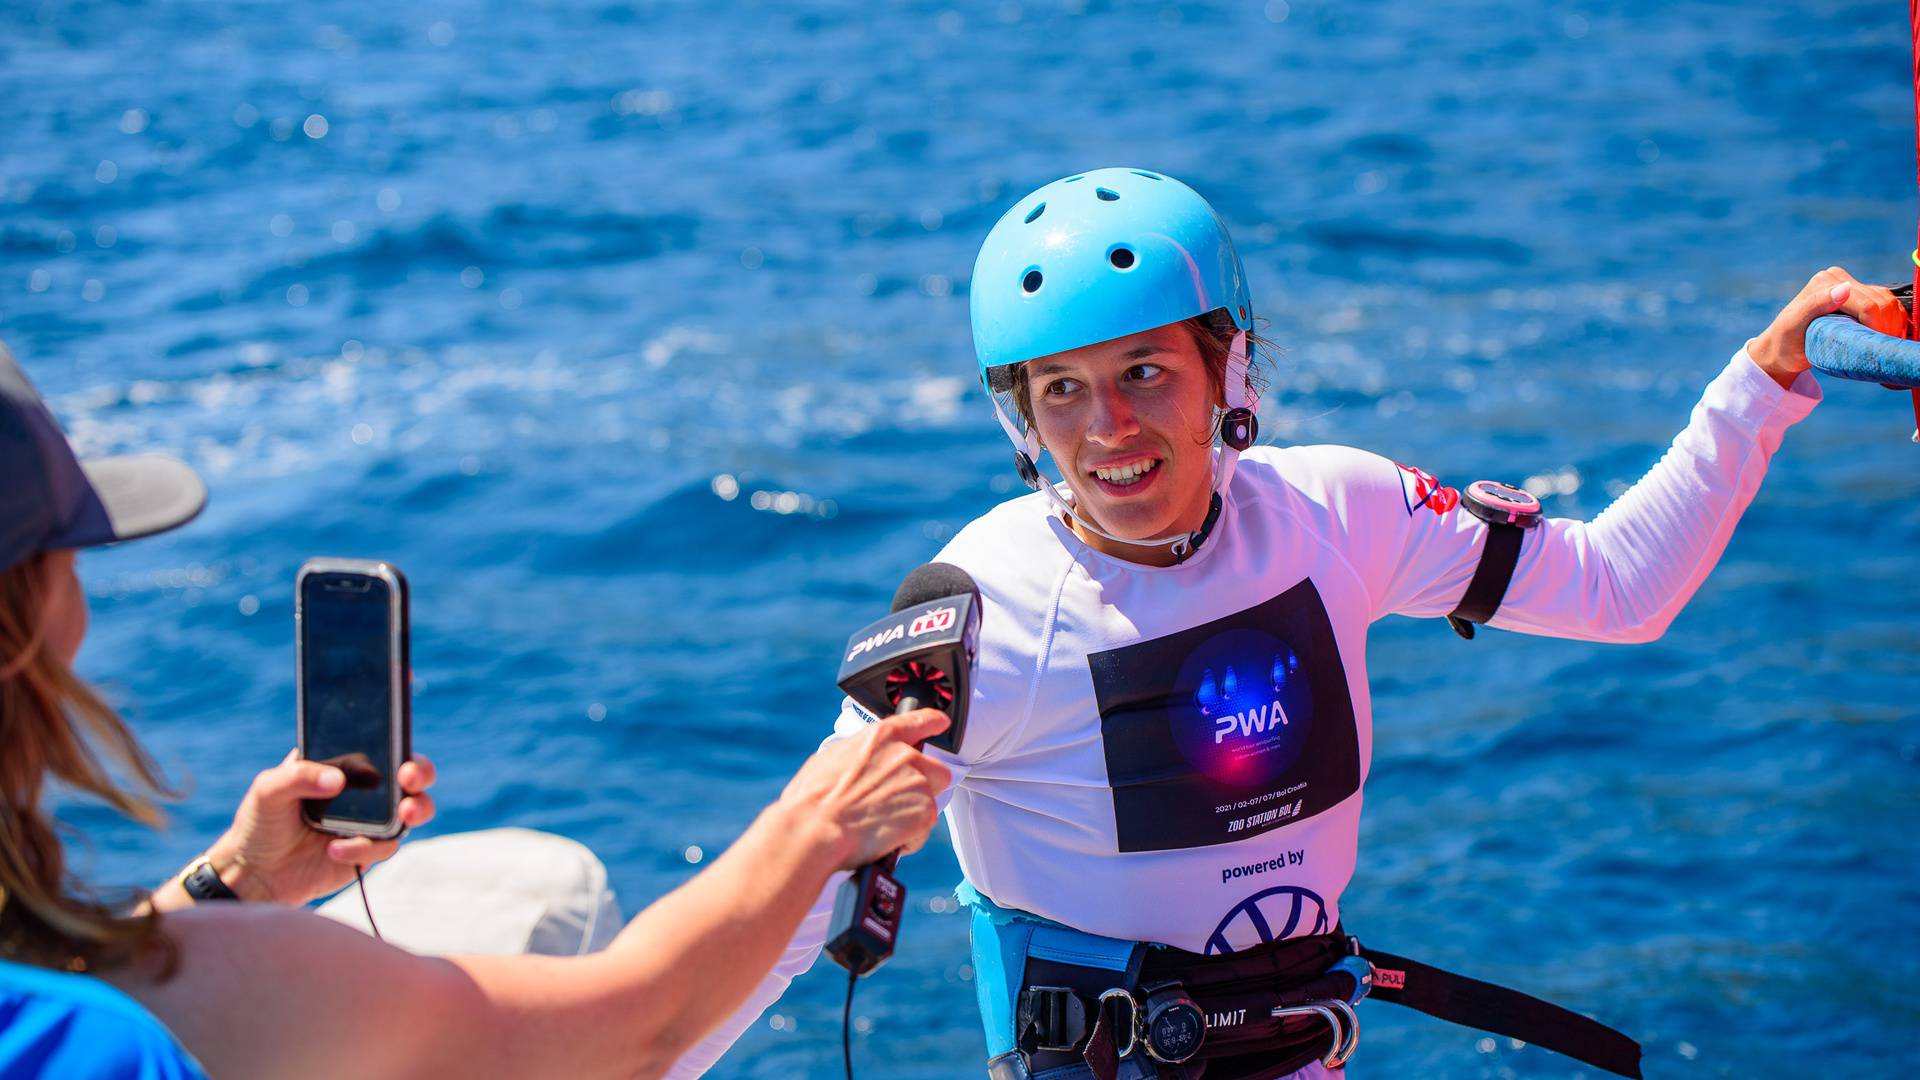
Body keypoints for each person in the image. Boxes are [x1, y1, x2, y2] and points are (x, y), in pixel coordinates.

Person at [669, 168, 1906, 1080]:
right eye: (1063, 393)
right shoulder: (972, 617)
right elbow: (782, 909)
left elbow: (1624, 589)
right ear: (1021, 420)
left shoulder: (1337, 509)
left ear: (1229, 371)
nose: (1109, 431)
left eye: (1146, 370)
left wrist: (1768, 378)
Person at [0, 341, 954, 1078]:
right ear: (21, 633)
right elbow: (633, 1029)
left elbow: (63, 965)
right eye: (69, 559)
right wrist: (818, 825)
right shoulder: (117, 1031)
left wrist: (228, 884)